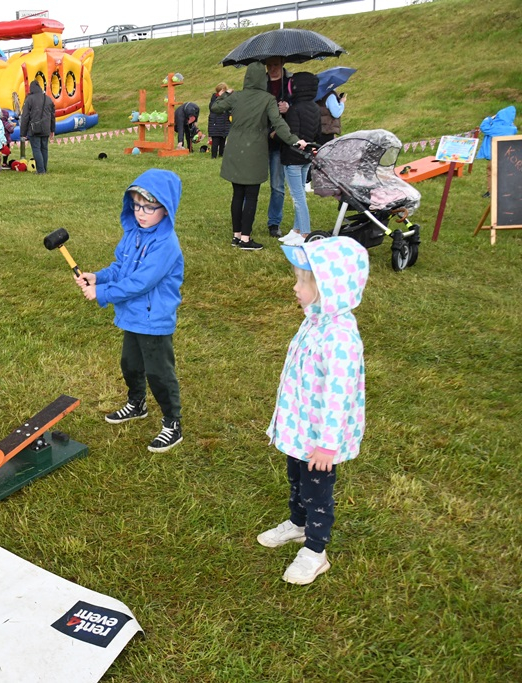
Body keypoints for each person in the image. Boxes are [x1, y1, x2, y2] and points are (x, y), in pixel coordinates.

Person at [259, 236, 369, 585]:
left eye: (302, 282)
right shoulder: (315, 320)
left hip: (320, 439)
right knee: (296, 481)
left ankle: (315, 551)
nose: (295, 287)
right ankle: (297, 524)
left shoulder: (339, 339)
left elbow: (339, 398)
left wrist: (327, 445)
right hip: (299, 427)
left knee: (317, 492)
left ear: (327, 289)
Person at [74, 169, 185, 453]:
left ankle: (173, 423)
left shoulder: (166, 245)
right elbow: (121, 268)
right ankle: (137, 404)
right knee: (130, 365)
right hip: (133, 316)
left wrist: (102, 293)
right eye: (136, 205)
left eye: (150, 207)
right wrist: (97, 277)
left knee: (159, 373)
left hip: (154, 318)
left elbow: (140, 282)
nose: (141, 213)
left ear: (166, 208)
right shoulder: (133, 234)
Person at [211, 63, 305, 251]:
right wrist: (294, 140)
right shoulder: (268, 99)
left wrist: (228, 93)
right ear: (262, 79)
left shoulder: (236, 97)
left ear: (246, 78)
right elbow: (278, 123)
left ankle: (236, 235)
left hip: (235, 149)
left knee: (237, 194)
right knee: (251, 196)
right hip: (254, 150)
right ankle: (246, 239)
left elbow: (216, 107)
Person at [278, 72, 321, 245]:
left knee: (298, 196)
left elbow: (292, 135)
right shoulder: (315, 108)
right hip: (307, 157)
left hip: (293, 158)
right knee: (300, 192)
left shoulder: (295, 109)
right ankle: (296, 230)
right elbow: (316, 132)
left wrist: (286, 115)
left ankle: (305, 233)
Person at [264, 57, 293, 238]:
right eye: (269, 65)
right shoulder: (261, 84)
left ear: (282, 64)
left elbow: (301, 108)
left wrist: (289, 107)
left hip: (279, 142)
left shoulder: (291, 84)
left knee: (277, 185)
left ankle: (274, 223)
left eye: (276, 65)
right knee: (251, 184)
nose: (272, 69)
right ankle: (245, 222)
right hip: (261, 139)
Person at [477, 105, 517, 195]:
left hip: (495, 154)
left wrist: (489, 118)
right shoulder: (512, 129)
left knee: (491, 172)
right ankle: (506, 190)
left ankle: (491, 192)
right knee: (504, 173)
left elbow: (483, 127)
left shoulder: (495, 128)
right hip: (507, 155)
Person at [19, 80, 56, 174]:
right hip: (46, 128)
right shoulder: (48, 99)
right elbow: (52, 116)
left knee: (36, 149)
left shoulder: (29, 99)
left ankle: (40, 170)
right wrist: (52, 130)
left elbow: (25, 117)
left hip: (34, 128)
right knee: (44, 148)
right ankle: (44, 168)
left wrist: (23, 133)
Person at [207, 83, 232, 159]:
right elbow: (214, 107)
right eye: (222, 91)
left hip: (224, 123)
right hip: (215, 124)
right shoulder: (214, 99)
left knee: (222, 140)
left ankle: (221, 154)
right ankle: (213, 156)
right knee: (215, 141)